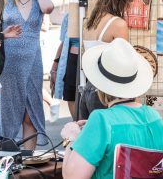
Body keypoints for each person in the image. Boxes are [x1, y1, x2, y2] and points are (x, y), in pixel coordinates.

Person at [61, 38, 163, 179]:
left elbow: (72, 177)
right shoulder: (154, 117)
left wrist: (71, 139)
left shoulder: (101, 120)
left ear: (101, 86)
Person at [0, 0, 54, 150]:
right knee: (8, 113)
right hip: (9, 65)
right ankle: (6, 158)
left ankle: (28, 161)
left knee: (31, 113)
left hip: (33, 63)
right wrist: (4, 34)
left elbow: (48, 8)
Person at [80, 0, 146, 119]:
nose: (131, 2)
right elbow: (124, 68)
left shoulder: (89, 23)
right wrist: (134, 99)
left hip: (89, 89)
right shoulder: (118, 24)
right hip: (110, 94)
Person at [50, 13, 79, 120]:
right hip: (73, 61)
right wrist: (54, 69)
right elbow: (64, 43)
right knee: (71, 96)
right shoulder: (69, 15)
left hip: (86, 60)